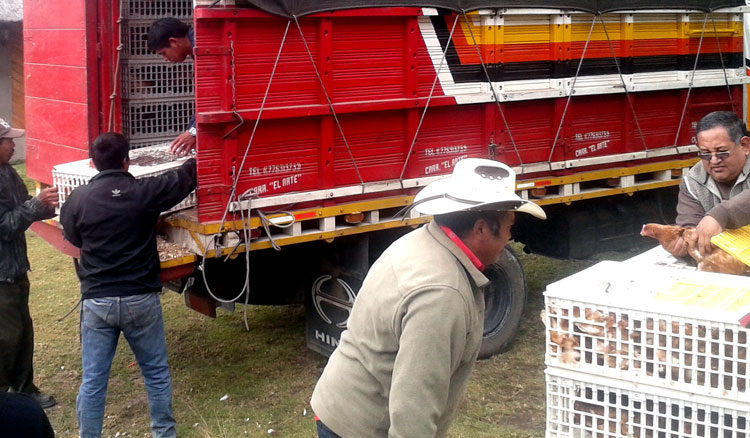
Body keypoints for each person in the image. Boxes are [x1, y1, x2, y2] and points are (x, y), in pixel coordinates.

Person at [310, 158, 547, 438]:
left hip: (342, 409)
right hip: (359, 428)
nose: (510, 236)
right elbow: (414, 407)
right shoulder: (441, 294)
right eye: (509, 225)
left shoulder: (424, 241)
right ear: (481, 228)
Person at [59, 132, 197, 438]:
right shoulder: (143, 192)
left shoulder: (78, 199)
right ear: (127, 161)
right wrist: (200, 148)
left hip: (97, 302)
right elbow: (184, 179)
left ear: (92, 164)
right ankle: (164, 433)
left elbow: (73, 238)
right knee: (156, 373)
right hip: (140, 299)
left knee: (94, 380)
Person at [0, 117, 58, 409]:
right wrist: (36, 204)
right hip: (1, 275)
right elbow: (6, 226)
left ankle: (24, 390)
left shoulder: (7, 172)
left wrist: (52, 205)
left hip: (15, 267)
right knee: (6, 337)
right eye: (7, 140)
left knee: (23, 329)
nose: (13, 144)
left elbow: (23, 205)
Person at [666, 111, 750, 257]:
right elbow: (689, 225)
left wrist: (720, 215)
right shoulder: (693, 182)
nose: (714, 160)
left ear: (744, 145)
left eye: (722, 152)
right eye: (705, 153)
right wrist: (685, 243)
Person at [147, 17, 196, 157]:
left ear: (173, 42)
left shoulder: (203, 46)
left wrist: (193, 132)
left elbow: (215, 97)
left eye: (163, 53)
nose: (165, 59)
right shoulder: (196, 46)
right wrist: (190, 132)